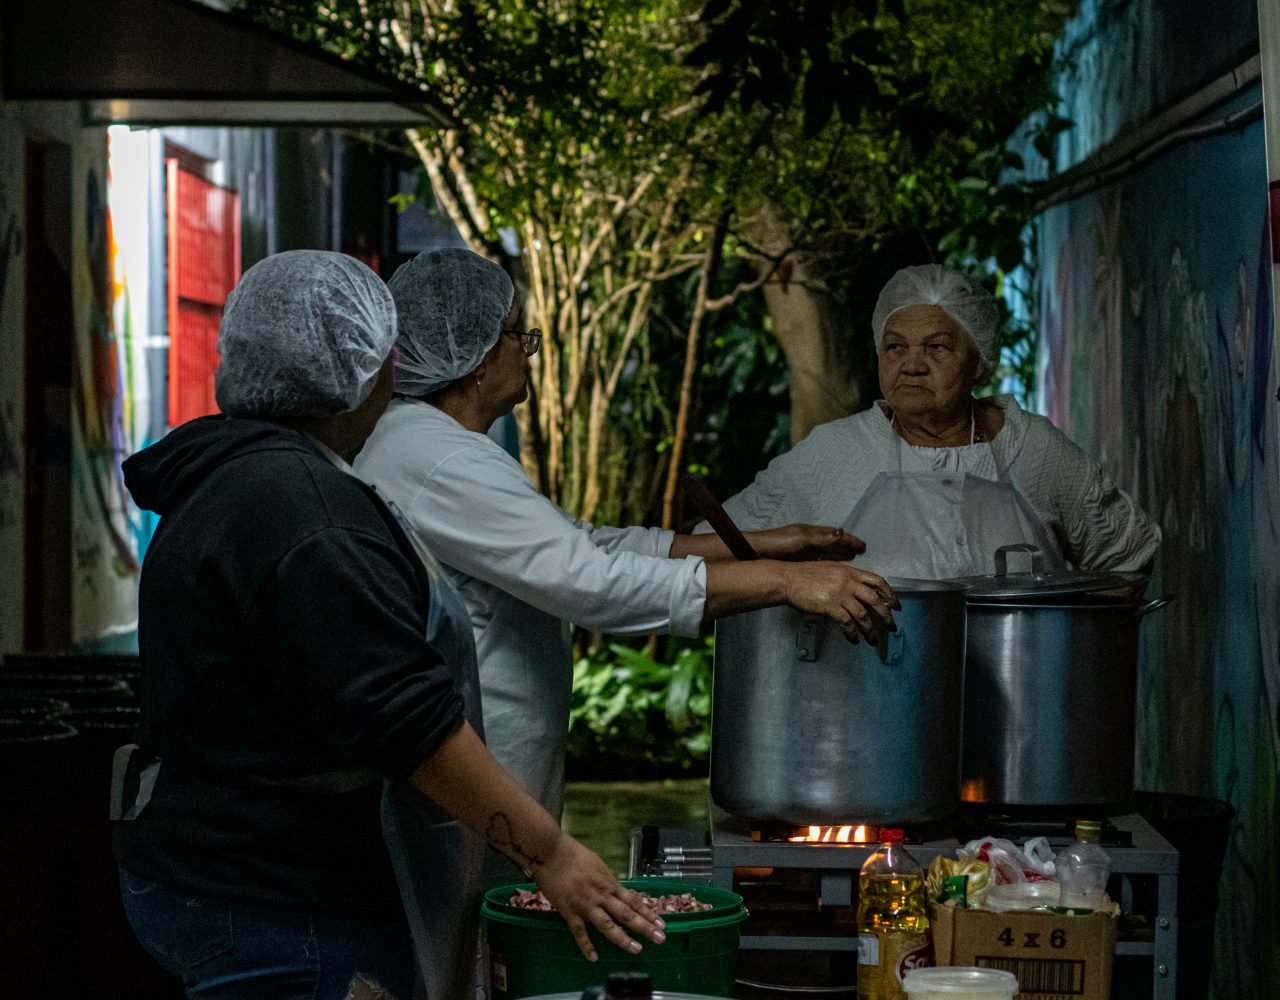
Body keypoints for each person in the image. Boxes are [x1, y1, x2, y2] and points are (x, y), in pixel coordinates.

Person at [112, 251, 662, 1000]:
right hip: (278, 898)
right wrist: (551, 853)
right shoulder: (307, 514)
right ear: (360, 371)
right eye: (386, 352)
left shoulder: (235, 477)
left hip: (216, 870)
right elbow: (405, 722)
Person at [354, 248, 899, 827]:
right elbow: (589, 581)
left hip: (491, 787)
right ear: (479, 359)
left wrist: (768, 543)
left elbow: (581, 544)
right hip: (466, 797)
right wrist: (788, 582)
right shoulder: (437, 459)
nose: (528, 351)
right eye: (519, 336)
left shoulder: (436, 446)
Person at [712, 263, 1160, 579]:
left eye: (937, 347)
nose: (912, 364)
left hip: (1017, 694)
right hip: (871, 700)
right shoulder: (833, 453)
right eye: (895, 347)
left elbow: (1127, 555)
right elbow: (724, 546)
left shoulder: (1033, 450)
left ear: (978, 363)